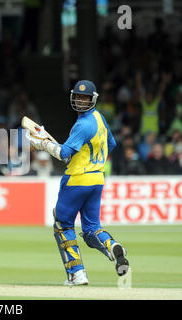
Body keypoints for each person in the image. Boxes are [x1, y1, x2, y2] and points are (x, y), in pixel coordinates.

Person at [26, 80, 129, 286]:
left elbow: (64, 154)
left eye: (85, 98)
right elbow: (111, 143)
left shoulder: (82, 124)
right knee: (91, 229)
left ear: (92, 99)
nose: (81, 101)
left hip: (76, 180)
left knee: (63, 225)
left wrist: (42, 144)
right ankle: (113, 246)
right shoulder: (99, 118)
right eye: (78, 97)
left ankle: (76, 274)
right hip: (97, 179)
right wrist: (89, 157)